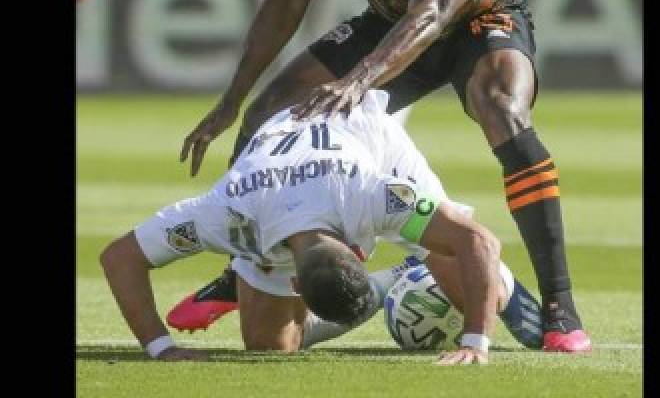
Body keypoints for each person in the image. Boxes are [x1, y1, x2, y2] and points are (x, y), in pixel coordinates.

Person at [170, 0, 590, 353]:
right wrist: (232, 99)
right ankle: (244, 265)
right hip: (390, 19)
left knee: (503, 111)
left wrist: (361, 79)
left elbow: (436, 13)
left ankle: (559, 304)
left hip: (479, 21)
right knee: (271, 110)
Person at [101, 90, 546, 364]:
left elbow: (479, 241)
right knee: (269, 347)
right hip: (279, 177)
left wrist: (476, 341)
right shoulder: (228, 213)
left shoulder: (377, 193)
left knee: (471, 280)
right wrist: (160, 350)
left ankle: (418, 266)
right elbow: (118, 258)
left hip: (367, 138)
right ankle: (394, 279)